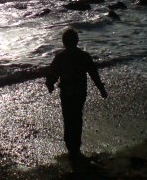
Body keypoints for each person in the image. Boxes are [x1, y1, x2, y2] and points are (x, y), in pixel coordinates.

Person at [46, 28, 108, 160]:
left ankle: (71, 148)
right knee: (77, 117)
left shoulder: (60, 57)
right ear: (77, 41)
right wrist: (101, 89)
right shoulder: (84, 56)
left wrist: (50, 85)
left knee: (68, 119)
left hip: (67, 93)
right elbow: (94, 74)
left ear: (64, 43)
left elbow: (52, 73)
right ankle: (76, 147)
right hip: (80, 92)